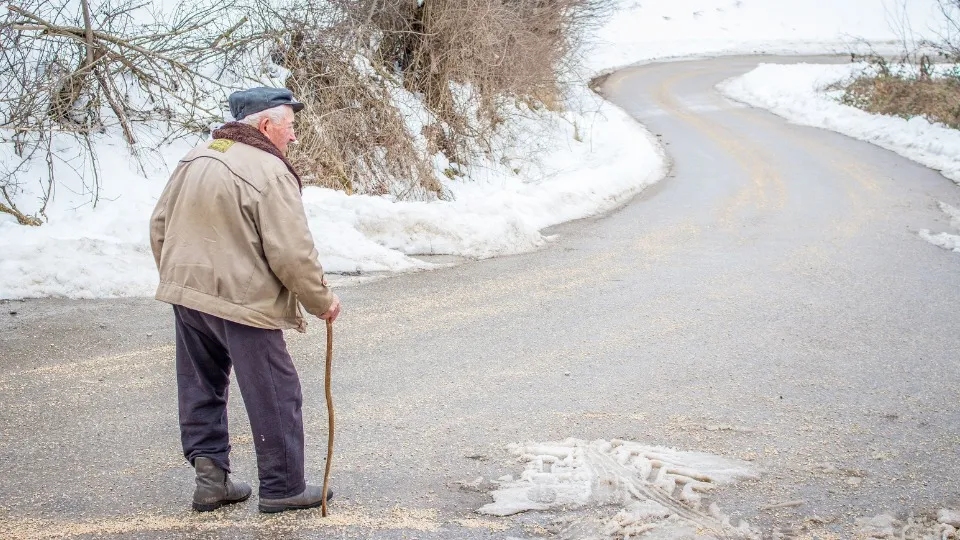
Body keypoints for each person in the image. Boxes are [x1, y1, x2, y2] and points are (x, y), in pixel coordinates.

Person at [149, 87, 342, 514]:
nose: (293, 137)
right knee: (276, 391)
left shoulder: (196, 156)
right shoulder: (269, 170)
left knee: (201, 385)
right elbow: (292, 252)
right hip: (241, 299)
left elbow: (159, 224)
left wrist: (178, 276)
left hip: (188, 292)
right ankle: (284, 487)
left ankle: (211, 481)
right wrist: (320, 300)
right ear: (267, 124)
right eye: (290, 126)